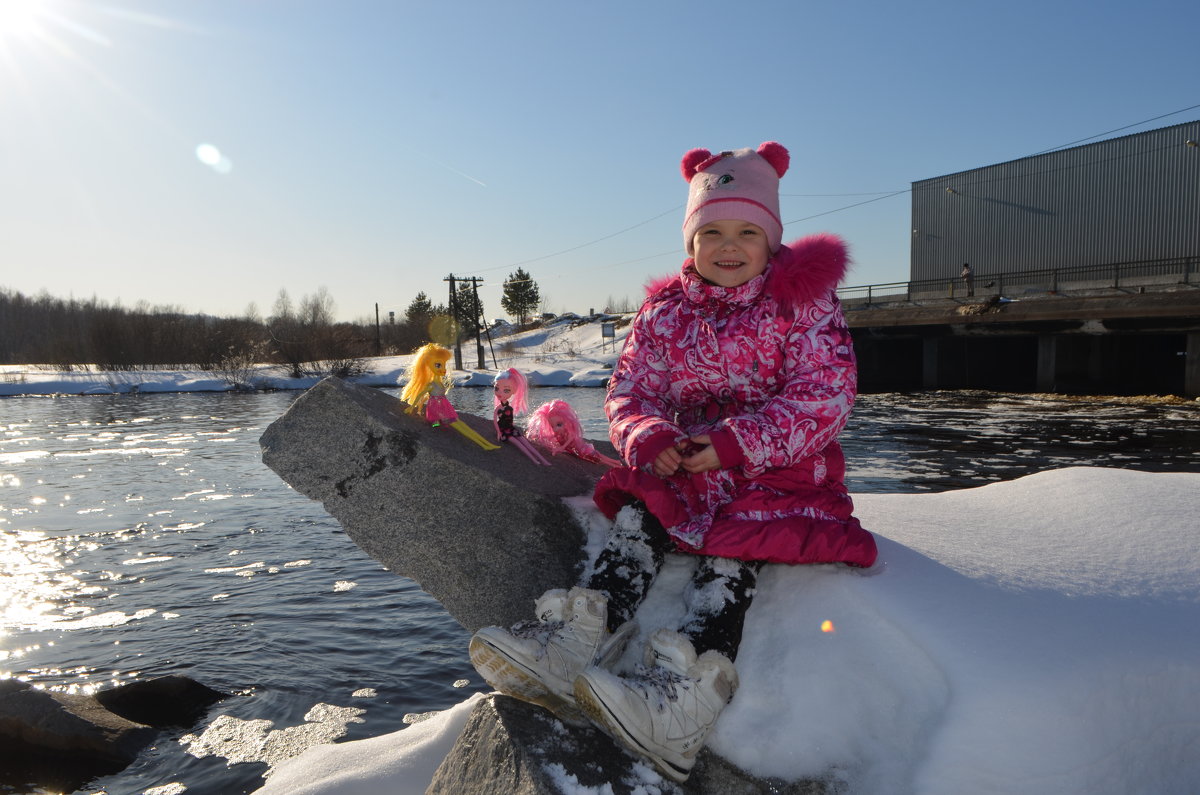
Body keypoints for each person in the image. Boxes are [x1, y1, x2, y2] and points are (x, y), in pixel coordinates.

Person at [469, 142, 877, 782]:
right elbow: (631, 389)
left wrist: (738, 443)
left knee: (740, 540)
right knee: (642, 507)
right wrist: (651, 436)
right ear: (690, 243)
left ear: (771, 239)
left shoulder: (803, 303)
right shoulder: (666, 313)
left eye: (747, 231)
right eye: (710, 231)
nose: (729, 245)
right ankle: (582, 631)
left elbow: (824, 392)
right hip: (687, 459)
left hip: (776, 462)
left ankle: (689, 694)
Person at [401, 343, 500, 450]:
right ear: (428, 365)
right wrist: (412, 407)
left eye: (443, 365)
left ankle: (486, 444)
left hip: (444, 407)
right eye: (438, 365)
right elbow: (420, 394)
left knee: (461, 424)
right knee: (458, 425)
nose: (443, 369)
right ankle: (483, 445)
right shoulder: (431, 385)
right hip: (437, 410)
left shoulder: (438, 383)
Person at [526, 399, 623, 468]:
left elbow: (570, 440)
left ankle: (616, 464)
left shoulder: (568, 433)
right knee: (601, 457)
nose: (555, 429)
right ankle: (616, 463)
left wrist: (562, 448)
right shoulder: (558, 433)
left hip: (582, 450)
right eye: (552, 426)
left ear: (566, 421)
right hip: (577, 450)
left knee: (601, 459)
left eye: (559, 424)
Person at [493, 368, 551, 465]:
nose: (500, 392)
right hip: (503, 431)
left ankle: (543, 460)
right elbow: (495, 420)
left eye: (506, 390)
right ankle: (534, 460)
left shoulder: (508, 405)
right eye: (496, 388)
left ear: (514, 391)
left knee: (526, 443)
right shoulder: (498, 408)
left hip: (511, 428)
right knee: (519, 445)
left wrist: (512, 425)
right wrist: (499, 433)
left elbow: (510, 419)